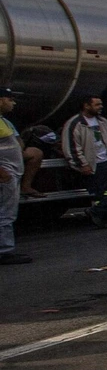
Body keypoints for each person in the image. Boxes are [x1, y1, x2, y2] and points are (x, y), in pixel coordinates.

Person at [62, 96, 107, 228]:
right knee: (102, 193)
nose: (101, 107)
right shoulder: (76, 124)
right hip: (94, 165)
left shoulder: (104, 122)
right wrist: (82, 164)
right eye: (97, 104)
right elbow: (71, 147)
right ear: (86, 106)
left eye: (101, 104)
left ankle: (95, 212)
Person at [0, 88, 29, 265]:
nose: (13, 103)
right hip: (5, 174)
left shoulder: (4, 121)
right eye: (9, 99)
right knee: (5, 213)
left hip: (10, 172)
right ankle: (4, 250)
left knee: (6, 212)